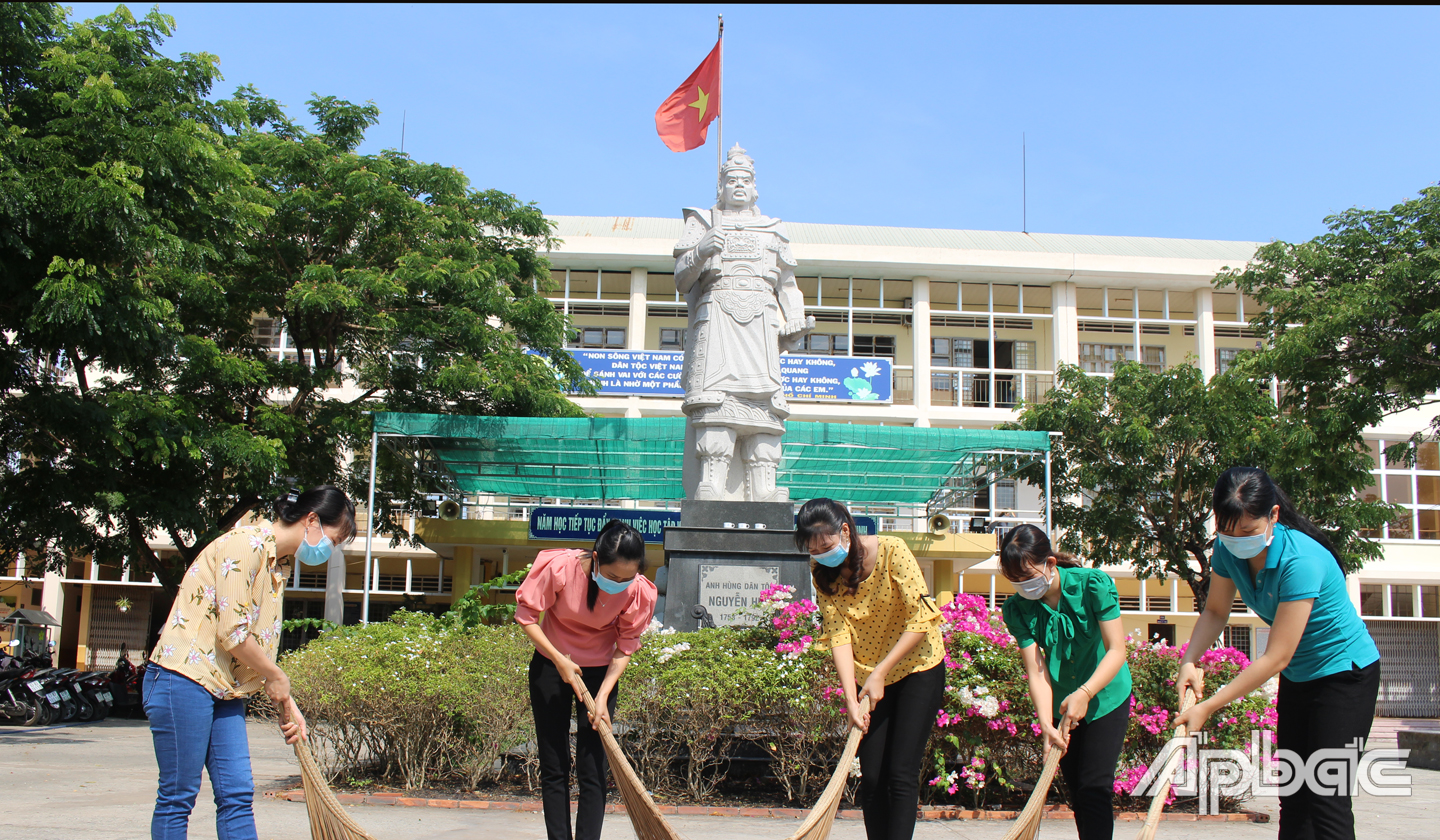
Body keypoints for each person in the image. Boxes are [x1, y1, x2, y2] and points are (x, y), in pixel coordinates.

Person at [1174, 467, 1379, 840]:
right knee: (1294, 792)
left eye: (1249, 532)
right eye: (1227, 530)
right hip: (1301, 675)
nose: (1237, 541)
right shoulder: (1226, 548)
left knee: (1326, 795)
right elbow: (1217, 611)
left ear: (1274, 516)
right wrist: (1189, 660)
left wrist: (1208, 706)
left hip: (1344, 676)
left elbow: (1276, 657)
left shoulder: (1301, 561)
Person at [146, 485, 355, 840]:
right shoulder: (246, 544)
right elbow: (234, 633)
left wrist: (288, 701)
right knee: (179, 795)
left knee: (237, 794)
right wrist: (277, 676)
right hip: (183, 678)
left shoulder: (279, 565)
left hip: (225, 689)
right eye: (334, 540)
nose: (330, 551)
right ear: (312, 520)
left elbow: (256, 647)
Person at [795, 498, 944, 840]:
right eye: (813, 548)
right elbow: (838, 633)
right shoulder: (822, 574)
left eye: (827, 545)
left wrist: (881, 672)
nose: (821, 553)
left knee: (901, 772)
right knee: (873, 776)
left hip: (917, 666)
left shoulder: (893, 550)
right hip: (869, 677)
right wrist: (850, 697)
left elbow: (921, 618)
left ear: (845, 531)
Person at [515, 520, 657, 840]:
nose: (619, 584)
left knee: (594, 769)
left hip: (599, 676)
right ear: (595, 558)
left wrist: (604, 695)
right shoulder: (560, 568)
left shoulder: (637, 590)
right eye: (611, 576)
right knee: (556, 765)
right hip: (551, 668)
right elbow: (527, 618)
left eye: (626, 577)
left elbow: (625, 647)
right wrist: (559, 660)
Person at [999, 524, 1132, 840]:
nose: (1023, 586)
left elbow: (1117, 650)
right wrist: (1046, 724)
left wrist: (1085, 692)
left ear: (1050, 564)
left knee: (1095, 787)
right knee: (1077, 794)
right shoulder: (1018, 609)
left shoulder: (1092, 585)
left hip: (1105, 696)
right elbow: (1037, 670)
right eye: (1014, 580)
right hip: (1061, 704)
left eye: (1028, 576)